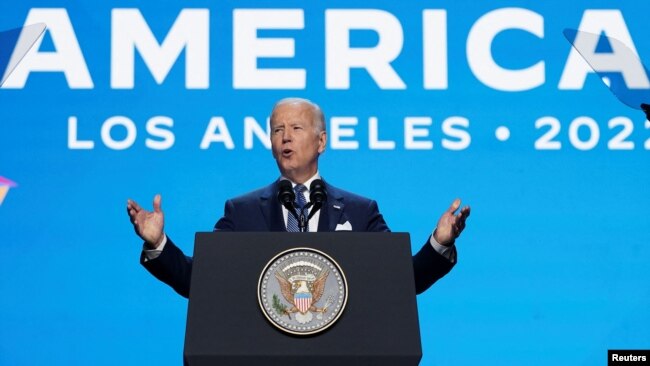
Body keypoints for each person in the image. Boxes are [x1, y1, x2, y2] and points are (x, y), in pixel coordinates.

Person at [127, 97, 470, 298]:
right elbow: (202, 282)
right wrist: (159, 244)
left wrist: (438, 243)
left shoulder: (360, 210)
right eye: (277, 130)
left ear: (321, 142)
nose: (285, 137)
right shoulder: (242, 211)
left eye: (296, 128)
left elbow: (397, 284)